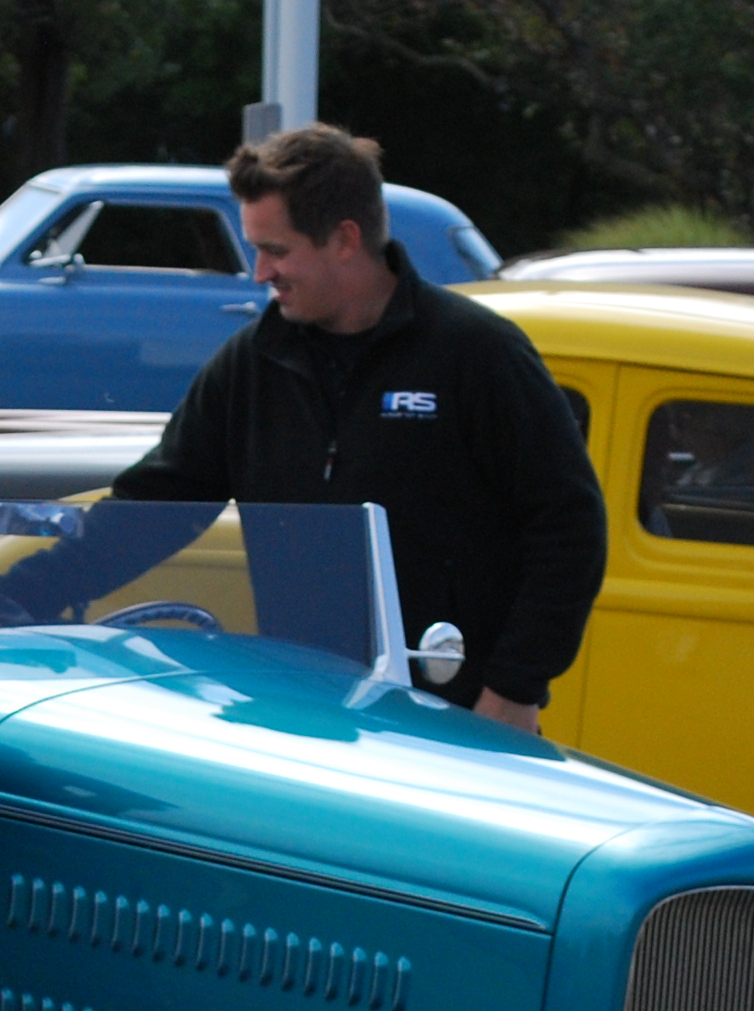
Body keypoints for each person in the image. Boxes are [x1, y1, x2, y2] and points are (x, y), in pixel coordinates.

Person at [108, 124, 606, 729]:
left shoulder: (477, 354)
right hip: (298, 711)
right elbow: (151, 510)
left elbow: (570, 527)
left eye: (276, 250)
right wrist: (23, 596)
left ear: (345, 239)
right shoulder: (251, 365)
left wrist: (513, 688)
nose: (260, 272)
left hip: (452, 721)